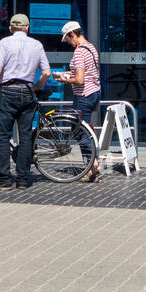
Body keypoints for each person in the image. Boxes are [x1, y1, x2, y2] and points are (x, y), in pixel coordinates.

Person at [0, 13, 50, 190]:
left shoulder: (5, 43)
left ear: (10, 28)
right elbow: (47, 73)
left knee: (3, 135)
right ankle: (23, 180)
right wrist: (36, 87)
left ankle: (4, 179)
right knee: (25, 136)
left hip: (8, 91)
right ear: (28, 28)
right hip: (27, 91)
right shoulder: (37, 45)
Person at [55, 20, 102, 182]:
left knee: (80, 132)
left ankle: (92, 165)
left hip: (83, 95)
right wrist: (66, 73)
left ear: (72, 34)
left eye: (68, 39)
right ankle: (92, 163)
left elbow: (80, 79)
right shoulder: (91, 47)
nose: (68, 42)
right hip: (94, 92)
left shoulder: (79, 52)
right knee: (86, 130)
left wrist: (63, 81)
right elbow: (87, 71)